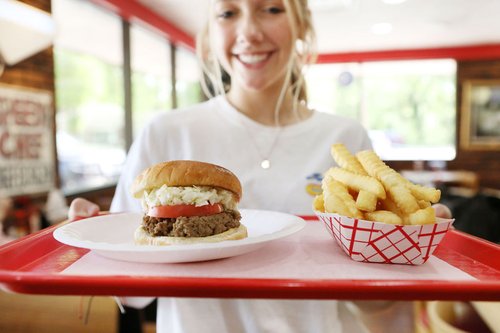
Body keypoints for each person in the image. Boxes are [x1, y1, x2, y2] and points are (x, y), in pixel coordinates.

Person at [69, 0, 452, 332]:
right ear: (209, 32)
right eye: (228, 12)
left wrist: (405, 252)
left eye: (271, 8)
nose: (249, 32)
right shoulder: (165, 134)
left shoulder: (345, 137)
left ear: (302, 25)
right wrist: (89, 250)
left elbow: (371, 302)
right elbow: (131, 295)